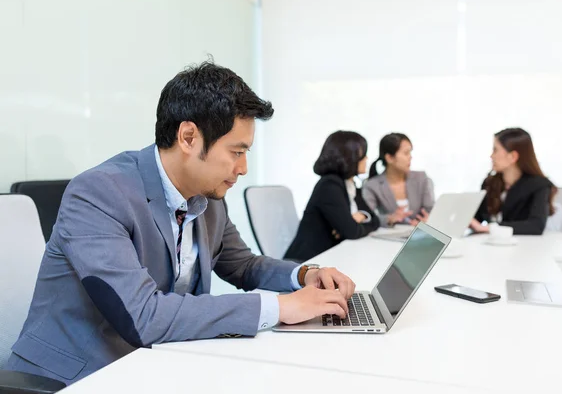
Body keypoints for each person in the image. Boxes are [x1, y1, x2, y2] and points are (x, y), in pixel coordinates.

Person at [5, 61, 355, 384]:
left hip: (158, 363)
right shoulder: (99, 193)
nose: (243, 168)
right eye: (236, 152)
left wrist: (305, 276)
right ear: (189, 137)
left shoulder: (209, 197)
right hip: (75, 377)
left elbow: (243, 265)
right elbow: (143, 316)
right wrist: (279, 308)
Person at [284, 131, 380, 261]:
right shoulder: (330, 185)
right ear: (348, 156)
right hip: (306, 263)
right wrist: (352, 225)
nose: (366, 159)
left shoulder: (349, 183)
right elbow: (352, 231)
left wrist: (361, 216)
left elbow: (375, 220)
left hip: (331, 257)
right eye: (362, 154)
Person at [471, 127, 556, 235]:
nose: (491, 156)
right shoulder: (490, 183)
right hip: (490, 246)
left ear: (513, 156)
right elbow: (478, 218)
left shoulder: (538, 185)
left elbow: (536, 226)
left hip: (524, 247)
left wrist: (490, 228)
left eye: (495, 150)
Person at [363, 133, 434, 227]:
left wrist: (428, 219)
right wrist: (390, 218)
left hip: (420, 234)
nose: (410, 157)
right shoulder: (372, 185)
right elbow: (367, 216)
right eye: (406, 153)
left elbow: (431, 210)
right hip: (391, 235)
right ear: (389, 158)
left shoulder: (421, 178)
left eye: (410, 152)